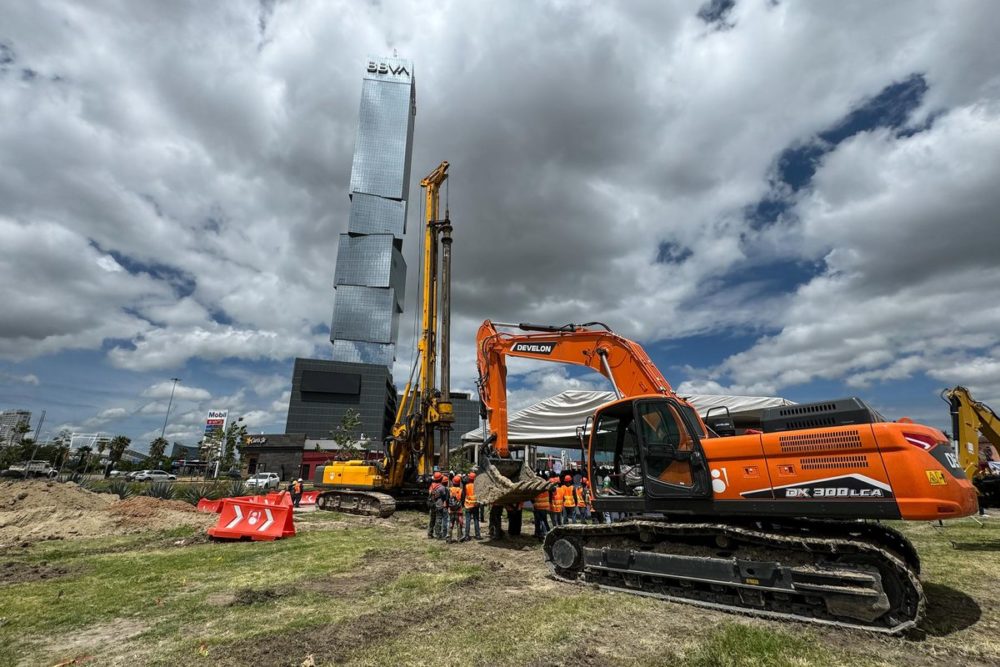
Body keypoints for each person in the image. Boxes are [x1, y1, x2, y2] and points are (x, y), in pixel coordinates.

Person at [463, 472, 481, 541]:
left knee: (468, 520)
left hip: (468, 505)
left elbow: (464, 495)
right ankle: (478, 535)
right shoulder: (477, 486)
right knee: (476, 520)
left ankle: (467, 536)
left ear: (469, 478)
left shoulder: (466, 486)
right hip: (475, 505)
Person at [427, 471, 444, 538]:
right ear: (440, 479)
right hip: (438, 505)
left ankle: (430, 533)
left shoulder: (431, 486)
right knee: (438, 519)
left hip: (431, 504)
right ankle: (438, 534)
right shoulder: (442, 487)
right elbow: (444, 496)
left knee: (432, 519)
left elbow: (429, 493)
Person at [448, 475, 464, 542]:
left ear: (453, 482)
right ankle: (459, 538)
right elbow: (462, 499)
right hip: (458, 510)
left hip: (451, 510)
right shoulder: (461, 490)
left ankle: (449, 538)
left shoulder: (449, 490)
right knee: (458, 524)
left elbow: (447, 499)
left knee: (451, 523)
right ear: (459, 483)